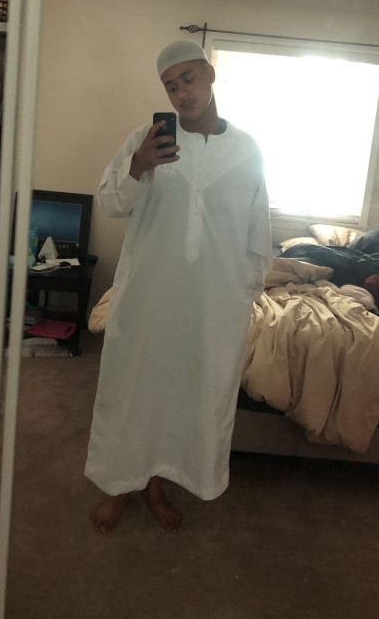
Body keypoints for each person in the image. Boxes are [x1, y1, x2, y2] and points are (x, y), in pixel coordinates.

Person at [85, 39, 272, 534]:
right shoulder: (144, 139)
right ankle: (118, 487)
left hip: (211, 304)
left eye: (188, 78)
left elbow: (258, 232)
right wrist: (139, 165)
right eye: (170, 86)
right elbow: (111, 203)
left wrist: (243, 294)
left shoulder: (247, 150)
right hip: (148, 297)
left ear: (209, 74)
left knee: (183, 396)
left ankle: (156, 486)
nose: (181, 92)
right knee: (133, 391)